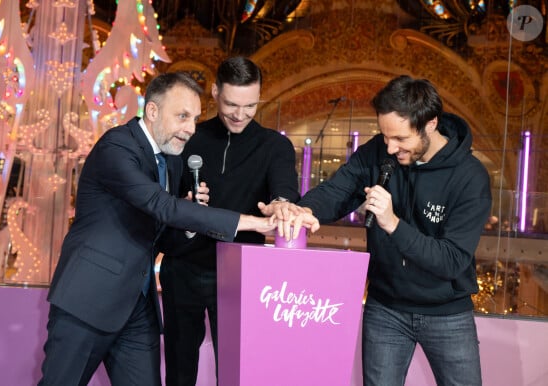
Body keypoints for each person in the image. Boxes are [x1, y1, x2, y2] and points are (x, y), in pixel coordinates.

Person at [38, 72, 275, 386]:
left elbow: (163, 229)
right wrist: (254, 222)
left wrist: (189, 218)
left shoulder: (172, 161)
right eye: (182, 117)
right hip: (88, 301)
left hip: (138, 308)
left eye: (194, 118)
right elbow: (162, 206)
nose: (190, 128)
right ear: (152, 111)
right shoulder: (117, 146)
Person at [261, 75, 491, 386]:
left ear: (431, 124)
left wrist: (393, 224)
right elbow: (338, 190)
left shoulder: (469, 176)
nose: (390, 147)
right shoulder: (378, 152)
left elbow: (451, 260)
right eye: (385, 136)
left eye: (401, 139)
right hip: (386, 309)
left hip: (447, 313)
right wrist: (303, 210)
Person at [159, 56, 300, 386]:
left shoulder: (274, 145)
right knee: (179, 370)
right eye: (231, 104)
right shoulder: (187, 138)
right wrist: (185, 205)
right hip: (183, 268)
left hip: (242, 274)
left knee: (238, 371)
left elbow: (284, 190)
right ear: (214, 92)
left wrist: (281, 204)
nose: (240, 114)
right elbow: (161, 201)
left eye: (250, 105)